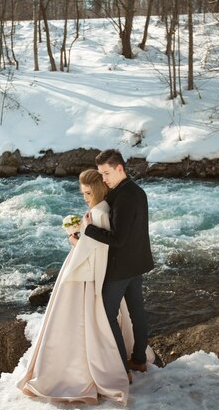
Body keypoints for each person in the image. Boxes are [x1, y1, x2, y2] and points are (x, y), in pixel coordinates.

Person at [17, 169, 132, 405]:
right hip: (85, 267)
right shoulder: (100, 208)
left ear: (98, 190)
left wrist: (75, 240)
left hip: (85, 275)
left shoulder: (100, 212)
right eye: (82, 193)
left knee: (75, 320)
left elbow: (97, 251)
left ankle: (77, 373)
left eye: (88, 192)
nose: (85, 197)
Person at [83, 149, 154, 378]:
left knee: (107, 314)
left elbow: (118, 239)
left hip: (121, 268)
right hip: (138, 264)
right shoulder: (136, 191)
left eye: (106, 173)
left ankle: (121, 368)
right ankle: (139, 360)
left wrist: (88, 229)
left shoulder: (123, 197)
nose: (103, 179)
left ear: (119, 168)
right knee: (137, 314)